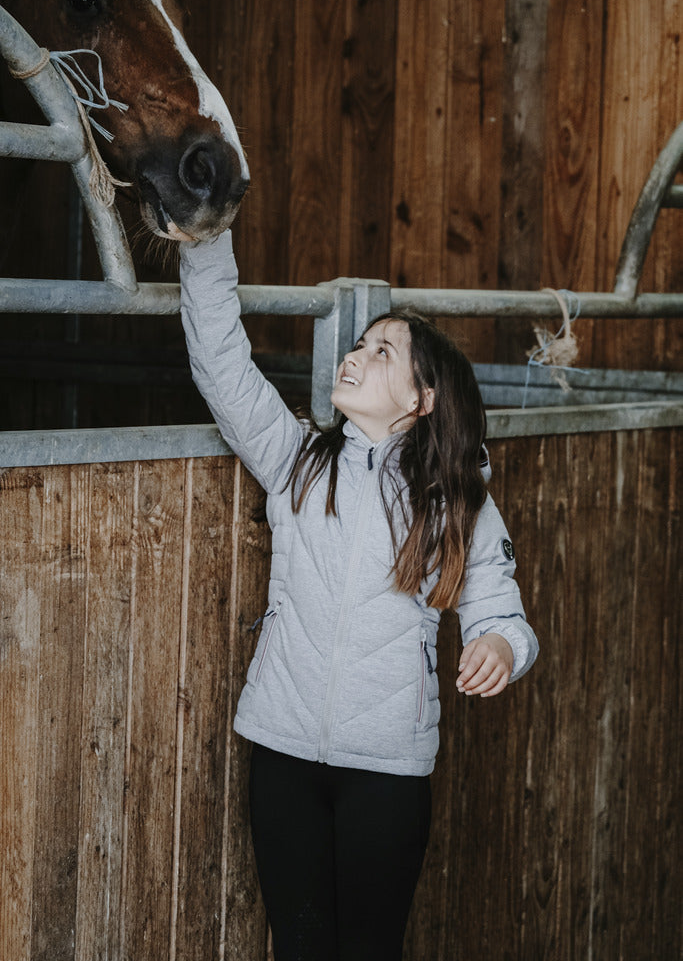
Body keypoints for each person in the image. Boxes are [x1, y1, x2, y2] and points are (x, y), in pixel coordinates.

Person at [178, 228, 539, 961]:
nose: (354, 355)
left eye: (382, 353)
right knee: (301, 948)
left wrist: (499, 645)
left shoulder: (454, 503)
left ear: (421, 399)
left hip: (385, 771)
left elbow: (499, 610)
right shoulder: (296, 462)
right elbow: (220, 364)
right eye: (360, 344)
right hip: (282, 756)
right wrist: (205, 241)